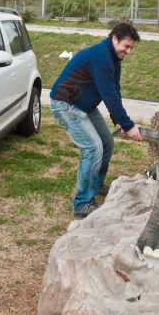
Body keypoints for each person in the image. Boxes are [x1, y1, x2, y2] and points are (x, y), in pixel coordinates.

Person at [50, 22, 142, 217]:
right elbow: (108, 95)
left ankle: (96, 184)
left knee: (107, 142)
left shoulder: (113, 59)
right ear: (114, 38)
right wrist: (129, 126)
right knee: (92, 148)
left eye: (131, 48)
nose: (128, 51)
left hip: (84, 106)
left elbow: (114, 91)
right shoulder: (101, 56)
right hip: (65, 105)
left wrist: (118, 121)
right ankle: (82, 203)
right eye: (126, 46)